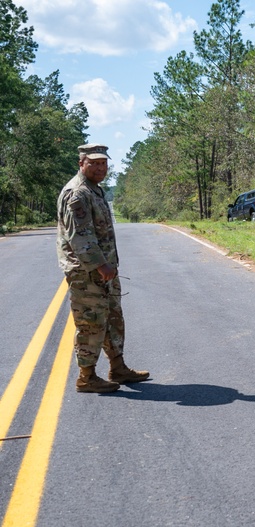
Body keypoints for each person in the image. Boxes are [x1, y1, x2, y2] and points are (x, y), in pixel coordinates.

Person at [57, 143, 149, 393]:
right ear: (81, 163)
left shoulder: (94, 190)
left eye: (103, 163)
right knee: (91, 323)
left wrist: (107, 266)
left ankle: (117, 367)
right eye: (94, 163)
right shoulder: (77, 193)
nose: (100, 168)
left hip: (104, 269)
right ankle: (86, 377)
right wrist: (100, 265)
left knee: (112, 319)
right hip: (87, 273)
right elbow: (80, 237)